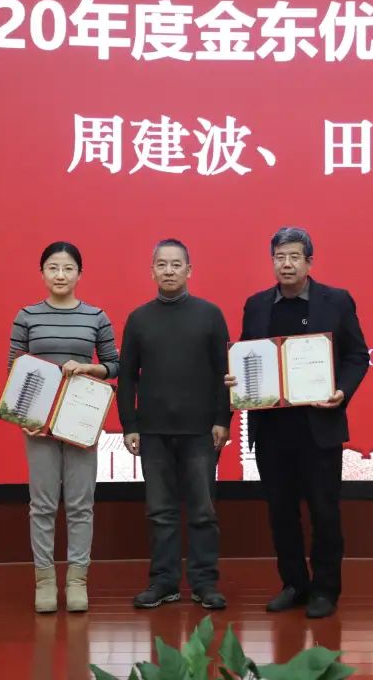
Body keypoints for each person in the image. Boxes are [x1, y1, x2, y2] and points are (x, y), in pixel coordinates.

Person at [225, 227, 369, 618]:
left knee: (325, 512)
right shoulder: (257, 305)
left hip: (318, 426)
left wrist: (341, 391)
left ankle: (325, 589)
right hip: (272, 429)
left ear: (309, 262)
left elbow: (358, 356)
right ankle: (294, 584)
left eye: (293, 257)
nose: (286, 264)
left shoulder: (336, 301)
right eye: (279, 257)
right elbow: (248, 354)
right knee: (281, 512)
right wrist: (238, 379)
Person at [118, 239, 231, 610]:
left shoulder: (210, 315)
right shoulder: (138, 319)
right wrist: (129, 424)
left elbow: (224, 372)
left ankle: (204, 583)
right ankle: (164, 582)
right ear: (152, 271)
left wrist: (223, 419)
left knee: (203, 511)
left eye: (176, 264)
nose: (169, 270)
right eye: (162, 264)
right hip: (152, 432)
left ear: (189, 270)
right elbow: (127, 377)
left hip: (201, 431)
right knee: (160, 512)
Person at [8, 241, 120, 613]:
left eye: (68, 268)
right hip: (38, 424)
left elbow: (114, 365)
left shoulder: (96, 316)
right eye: (53, 268)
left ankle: (76, 581)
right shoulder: (27, 315)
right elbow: (15, 369)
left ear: (79, 274)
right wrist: (25, 416)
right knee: (41, 505)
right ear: (42, 273)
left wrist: (86, 367)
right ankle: (44, 581)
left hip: (80, 420)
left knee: (80, 504)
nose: (60, 275)